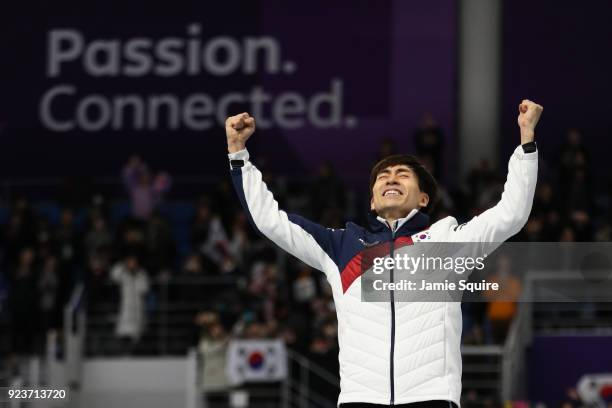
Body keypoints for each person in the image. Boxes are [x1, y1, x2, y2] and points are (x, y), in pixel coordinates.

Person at [225, 100, 543, 407]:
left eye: (403, 174)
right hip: (360, 399)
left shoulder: (447, 240)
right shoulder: (340, 246)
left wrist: (526, 142)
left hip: (430, 398)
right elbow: (269, 220)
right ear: (373, 202)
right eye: (382, 177)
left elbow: (511, 214)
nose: (391, 178)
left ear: (423, 198)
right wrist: (239, 155)